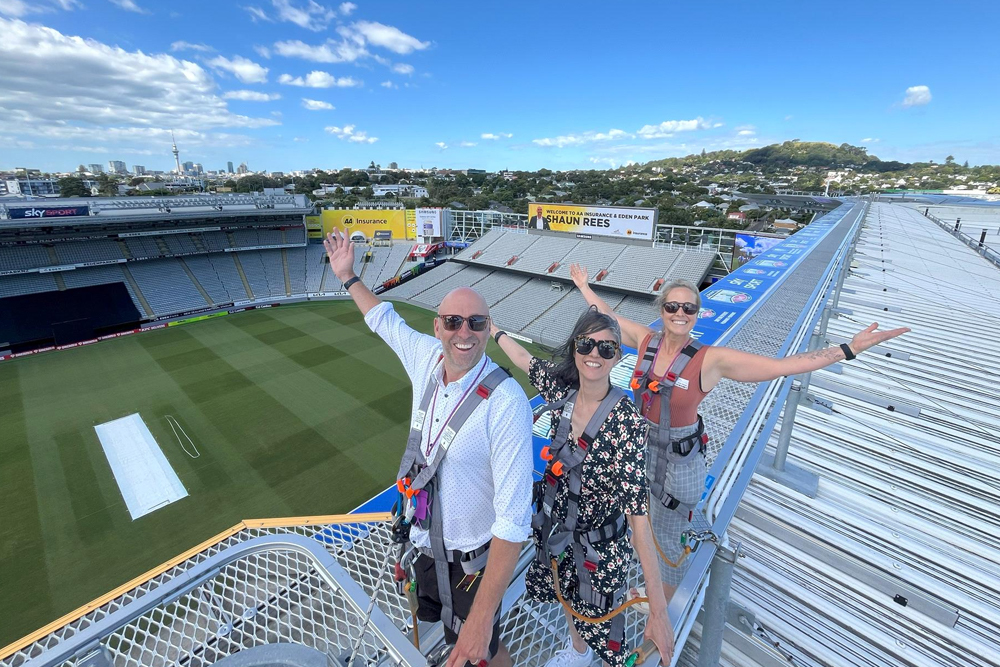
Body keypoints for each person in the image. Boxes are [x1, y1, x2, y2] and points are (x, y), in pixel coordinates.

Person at [569, 263, 909, 599]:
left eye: (689, 308)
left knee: (668, 541)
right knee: (639, 522)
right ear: (662, 309)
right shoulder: (646, 341)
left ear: (696, 314)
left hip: (678, 466)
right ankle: (650, 585)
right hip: (640, 452)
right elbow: (607, 316)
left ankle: (666, 609)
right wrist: (584, 286)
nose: (680, 313)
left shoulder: (711, 360)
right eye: (673, 306)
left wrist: (847, 350)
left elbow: (780, 367)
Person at [324, 229, 534, 667]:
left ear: (487, 329)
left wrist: (480, 620)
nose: (465, 332)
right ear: (437, 326)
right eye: (453, 322)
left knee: (483, 651)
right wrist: (347, 276)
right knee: (430, 626)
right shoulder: (426, 356)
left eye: (477, 323)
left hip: (469, 565)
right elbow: (384, 318)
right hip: (421, 545)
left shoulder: (506, 402)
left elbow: (514, 521)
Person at [490, 308, 675, 667]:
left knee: (607, 634)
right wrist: (496, 331)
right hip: (557, 533)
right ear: (575, 347)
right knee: (566, 597)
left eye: (606, 349)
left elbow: (639, 521)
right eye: (586, 344)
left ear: (618, 357)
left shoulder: (626, 425)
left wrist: (659, 610)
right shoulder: (562, 388)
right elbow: (524, 359)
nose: (594, 354)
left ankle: (595, 653)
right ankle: (577, 651)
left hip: (598, 552)